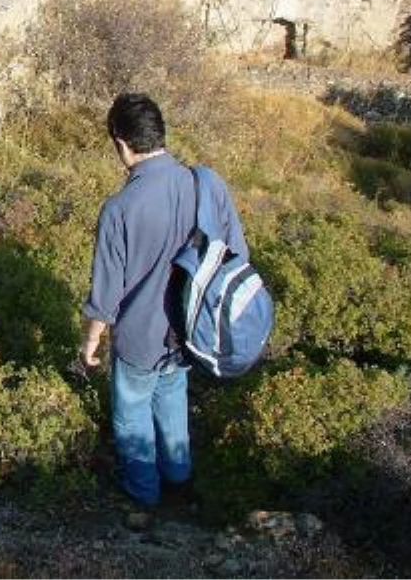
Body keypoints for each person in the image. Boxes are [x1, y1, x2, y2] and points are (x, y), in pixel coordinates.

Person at [79, 93, 248, 509]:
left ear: (121, 143)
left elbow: (106, 292)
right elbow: (237, 255)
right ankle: (179, 482)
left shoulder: (119, 208)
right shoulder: (206, 184)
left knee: (132, 416)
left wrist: (90, 343)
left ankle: (143, 496)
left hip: (140, 338)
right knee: (172, 400)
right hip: (191, 331)